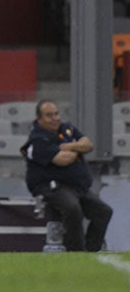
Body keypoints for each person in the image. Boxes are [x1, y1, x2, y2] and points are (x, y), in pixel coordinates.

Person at [21, 100, 113, 252]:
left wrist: (69, 146)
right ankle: (75, 251)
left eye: (56, 114)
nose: (55, 118)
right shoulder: (37, 139)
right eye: (49, 115)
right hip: (53, 186)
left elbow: (88, 144)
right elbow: (63, 160)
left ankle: (92, 250)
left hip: (78, 186)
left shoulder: (67, 128)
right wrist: (78, 147)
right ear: (39, 119)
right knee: (72, 209)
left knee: (104, 212)